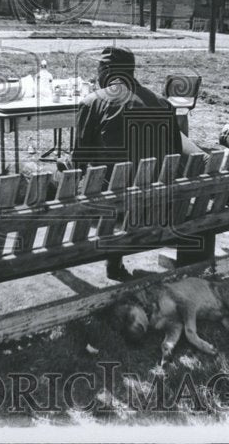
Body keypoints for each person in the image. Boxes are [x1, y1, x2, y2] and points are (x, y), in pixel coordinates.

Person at [71, 46, 184, 281]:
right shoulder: (163, 104)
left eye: (99, 69)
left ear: (105, 71)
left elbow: (79, 159)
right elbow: (175, 153)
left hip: (115, 204)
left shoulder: (93, 102)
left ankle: (114, 262)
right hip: (156, 202)